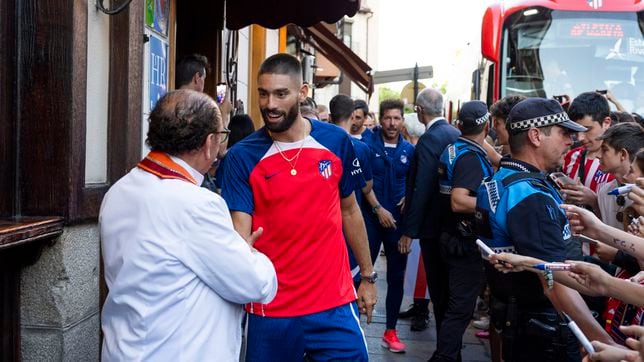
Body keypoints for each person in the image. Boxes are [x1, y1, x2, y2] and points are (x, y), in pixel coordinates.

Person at [220, 53, 376, 361]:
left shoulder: (335, 141)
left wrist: (368, 278)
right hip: (271, 309)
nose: (270, 104)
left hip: (333, 304)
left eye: (281, 94)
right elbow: (241, 234)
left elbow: (350, 210)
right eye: (263, 93)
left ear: (302, 92)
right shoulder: (242, 156)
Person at [99, 90, 277, 361]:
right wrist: (249, 253)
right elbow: (255, 285)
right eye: (221, 135)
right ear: (209, 143)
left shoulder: (117, 191)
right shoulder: (195, 204)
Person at [475, 97, 614, 361]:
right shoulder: (529, 196)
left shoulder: (504, 179)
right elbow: (553, 281)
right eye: (564, 133)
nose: (571, 141)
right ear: (536, 136)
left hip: (524, 324)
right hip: (544, 334)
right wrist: (600, 341)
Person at [433, 101, 494, 362]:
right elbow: (458, 201)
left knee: (452, 306)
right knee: (460, 309)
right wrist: (495, 204)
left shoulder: (455, 147)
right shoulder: (470, 157)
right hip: (463, 241)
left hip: (448, 236)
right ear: (488, 126)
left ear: (459, 126)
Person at [398, 88, 460, 345]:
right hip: (455, 225)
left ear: (420, 111)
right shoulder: (456, 134)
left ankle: (445, 348)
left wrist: (409, 230)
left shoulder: (428, 140)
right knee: (450, 291)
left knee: (438, 288)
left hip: (433, 228)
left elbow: (420, 187)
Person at [362, 99, 414, 353]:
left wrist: (409, 196)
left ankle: (390, 331)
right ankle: (355, 328)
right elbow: (361, 181)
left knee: (396, 277)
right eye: (388, 118)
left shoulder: (409, 151)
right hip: (370, 220)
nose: (392, 123)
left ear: (402, 120)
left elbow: (416, 184)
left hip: (397, 224)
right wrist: (377, 208)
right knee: (360, 273)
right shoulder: (366, 143)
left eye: (397, 118)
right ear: (380, 119)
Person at [328, 94, 378, 286]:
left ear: (331, 118)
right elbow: (367, 186)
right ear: (352, 117)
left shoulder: (320, 145)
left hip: (328, 222)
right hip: (351, 220)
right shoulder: (361, 148)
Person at [560, 91, 614, 212]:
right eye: (576, 131)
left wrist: (594, 201)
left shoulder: (621, 161)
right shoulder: (571, 156)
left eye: (587, 129)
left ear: (606, 123)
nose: (580, 138)